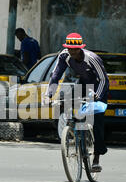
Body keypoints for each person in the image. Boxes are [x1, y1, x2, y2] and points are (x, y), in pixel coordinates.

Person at [44, 33, 109, 173]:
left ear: (80, 48)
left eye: (75, 49)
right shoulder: (64, 56)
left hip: (98, 89)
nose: (72, 52)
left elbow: (104, 80)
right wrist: (49, 95)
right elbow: (55, 75)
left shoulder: (92, 58)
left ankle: (96, 158)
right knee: (66, 100)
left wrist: (97, 95)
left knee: (97, 121)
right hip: (82, 86)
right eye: (69, 49)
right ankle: (72, 131)